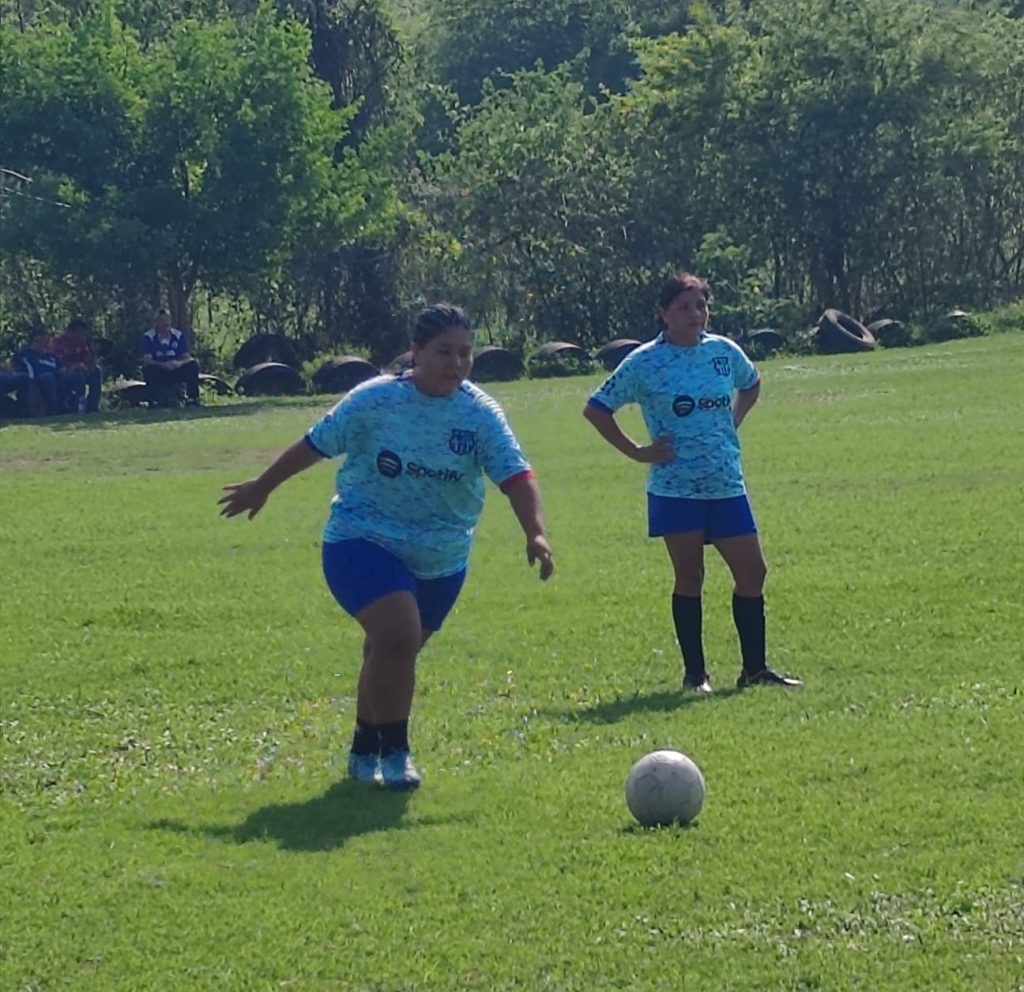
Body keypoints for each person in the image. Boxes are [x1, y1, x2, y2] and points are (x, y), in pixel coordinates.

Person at [219, 304, 555, 790]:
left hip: (442, 556)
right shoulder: (374, 401)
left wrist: (536, 532)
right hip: (362, 539)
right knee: (397, 638)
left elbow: (517, 477)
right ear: (416, 352)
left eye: (465, 354)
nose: (456, 364)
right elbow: (314, 443)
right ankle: (396, 753)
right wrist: (263, 485)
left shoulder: (479, 413)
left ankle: (363, 750)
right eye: (443, 352)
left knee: (390, 652)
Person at [583, 272, 801, 693]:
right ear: (664, 313)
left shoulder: (723, 352)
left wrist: (732, 421)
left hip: (725, 482)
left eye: (700, 305)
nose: (693, 314)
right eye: (682, 306)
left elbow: (751, 384)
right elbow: (596, 409)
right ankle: (695, 676)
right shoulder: (645, 362)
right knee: (690, 577)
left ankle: (754, 670)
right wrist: (638, 451)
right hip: (675, 487)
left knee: (753, 571)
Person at [141, 310, 200, 407]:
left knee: (192, 366)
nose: (166, 324)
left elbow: (187, 357)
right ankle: (155, 401)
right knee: (148, 370)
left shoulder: (178, 335)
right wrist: (163, 365)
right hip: (160, 369)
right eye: (162, 321)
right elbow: (147, 359)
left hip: (176, 369)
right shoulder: (149, 337)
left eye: (167, 320)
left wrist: (178, 363)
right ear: (156, 323)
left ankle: (192, 399)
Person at [50, 318, 103, 413]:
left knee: (97, 372)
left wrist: (93, 353)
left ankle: (93, 407)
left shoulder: (82, 345)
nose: (83, 337)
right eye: (81, 334)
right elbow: (56, 361)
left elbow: (89, 366)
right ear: (72, 332)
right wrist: (76, 366)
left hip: (80, 372)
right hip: (62, 374)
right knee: (79, 375)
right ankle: (76, 406)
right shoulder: (58, 342)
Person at [13, 328, 63, 415]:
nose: (45, 344)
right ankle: (52, 409)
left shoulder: (52, 358)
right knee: (48, 377)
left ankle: (75, 407)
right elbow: (13, 365)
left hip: (57, 379)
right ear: (35, 341)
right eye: (42, 342)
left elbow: (61, 369)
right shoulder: (25, 354)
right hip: (37, 381)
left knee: (76, 378)